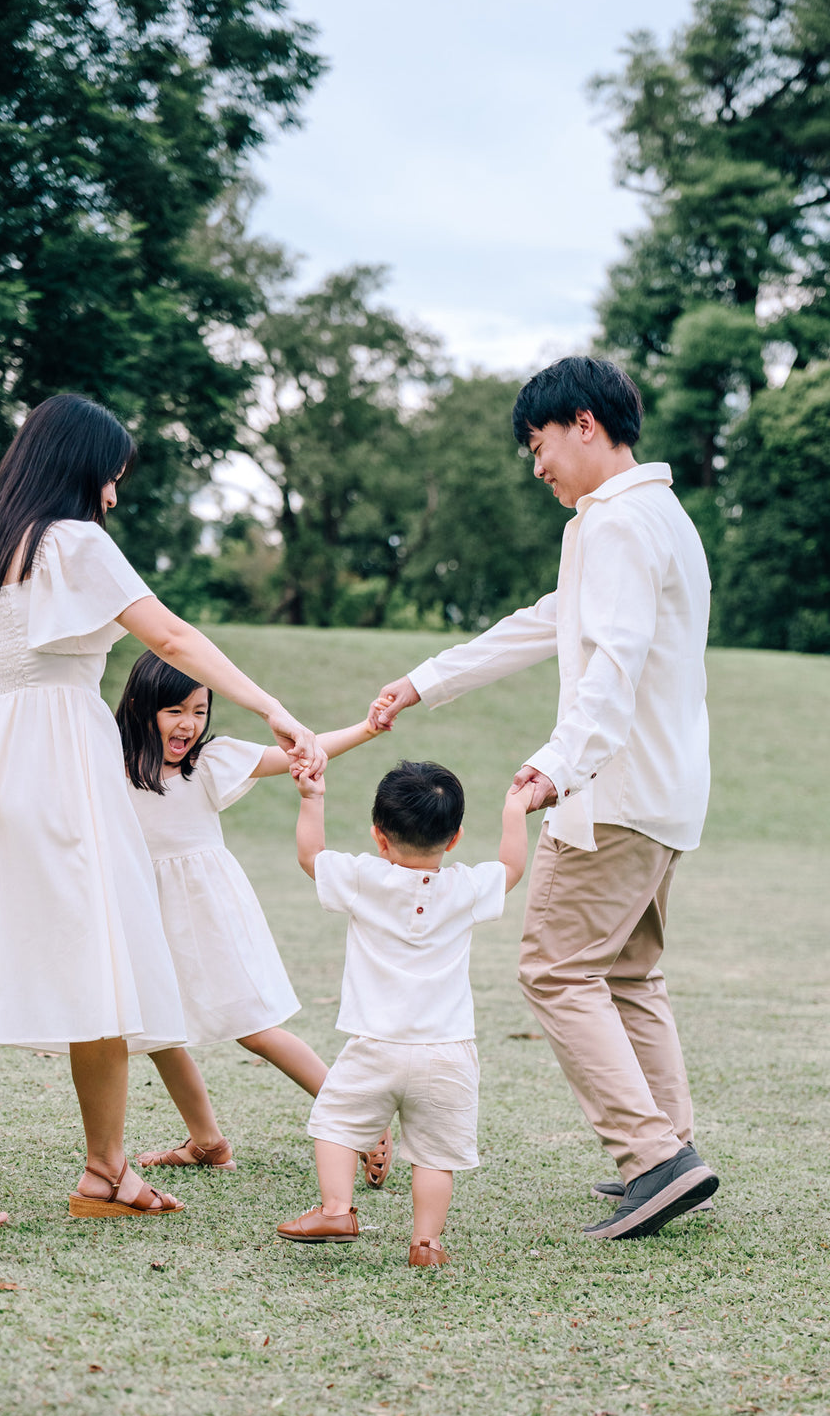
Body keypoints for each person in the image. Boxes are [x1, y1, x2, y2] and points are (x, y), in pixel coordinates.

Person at [0, 393, 324, 1232]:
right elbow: (175, 640)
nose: (114, 496)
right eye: (112, 477)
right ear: (80, 469)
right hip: (58, 765)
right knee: (106, 959)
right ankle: (85, 1171)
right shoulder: (75, 543)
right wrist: (273, 708)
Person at [373, 356, 719, 1241]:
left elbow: (613, 667)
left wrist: (558, 765)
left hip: (614, 792)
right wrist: (424, 681)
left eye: (540, 444)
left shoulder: (614, 525)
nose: (538, 468)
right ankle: (671, 1146)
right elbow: (547, 621)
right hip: (666, 794)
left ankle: (651, 1158)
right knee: (631, 975)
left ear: (584, 425)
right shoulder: (657, 516)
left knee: (555, 969)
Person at [114, 651, 394, 1185]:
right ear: (139, 706)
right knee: (153, 1031)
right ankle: (207, 1143)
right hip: (144, 912)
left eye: (199, 711)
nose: (189, 724)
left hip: (207, 912)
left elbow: (292, 754)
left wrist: (365, 729)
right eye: (174, 710)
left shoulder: (208, 764)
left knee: (256, 1030)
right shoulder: (110, 764)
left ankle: (360, 1120)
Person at [276, 760, 534, 1267]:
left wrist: (312, 796)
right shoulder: (464, 888)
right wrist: (515, 808)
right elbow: (512, 868)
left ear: (379, 836)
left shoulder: (363, 878)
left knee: (334, 1124)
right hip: (449, 1052)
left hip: (375, 1044)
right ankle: (426, 1244)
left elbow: (311, 856)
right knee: (435, 1157)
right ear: (454, 838)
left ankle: (335, 1208)